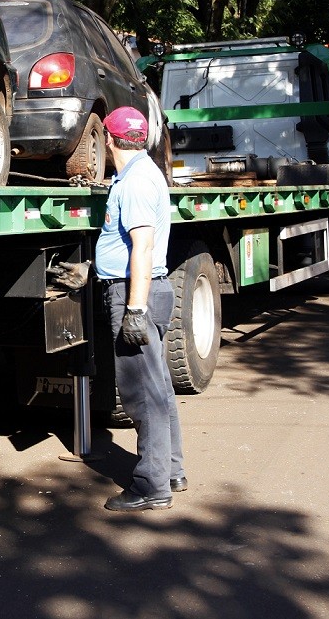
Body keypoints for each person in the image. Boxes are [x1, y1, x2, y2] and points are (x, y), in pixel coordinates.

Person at [94, 106, 186, 511]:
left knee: (141, 394)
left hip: (136, 293)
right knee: (159, 387)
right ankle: (171, 470)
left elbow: (143, 246)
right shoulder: (144, 174)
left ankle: (151, 487)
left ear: (108, 139)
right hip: (148, 290)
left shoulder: (134, 182)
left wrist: (133, 308)